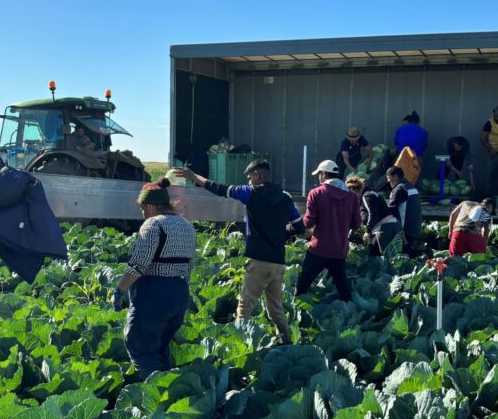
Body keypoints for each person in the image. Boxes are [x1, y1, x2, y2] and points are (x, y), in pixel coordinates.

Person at [174, 160, 305, 344]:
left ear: (257, 175)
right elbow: (300, 226)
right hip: (278, 262)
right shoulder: (285, 197)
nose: (249, 180)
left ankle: (240, 343)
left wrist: (193, 176)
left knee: (245, 305)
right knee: (276, 308)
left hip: (258, 261)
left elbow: (218, 188)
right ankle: (287, 341)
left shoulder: (250, 192)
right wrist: (279, 235)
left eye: (249, 176)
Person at [112, 178, 196, 378]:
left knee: (139, 345)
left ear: (150, 206)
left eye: (143, 208)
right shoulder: (186, 225)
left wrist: (120, 289)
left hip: (154, 293)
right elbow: (190, 264)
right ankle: (169, 389)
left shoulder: (153, 225)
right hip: (179, 291)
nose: (143, 213)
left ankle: (154, 392)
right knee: (160, 348)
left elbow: (139, 264)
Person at [296, 160, 361, 300]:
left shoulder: (316, 193)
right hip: (339, 250)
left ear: (323, 174)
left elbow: (308, 222)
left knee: (302, 285)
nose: (319, 177)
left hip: (318, 249)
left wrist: (294, 225)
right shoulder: (352, 197)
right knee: (343, 288)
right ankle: (349, 315)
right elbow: (356, 225)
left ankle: (295, 313)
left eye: (319, 174)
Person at [385, 166, 422, 253]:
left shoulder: (399, 189)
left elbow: (391, 211)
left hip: (405, 232)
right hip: (416, 230)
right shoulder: (412, 187)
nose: (388, 181)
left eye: (388, 178)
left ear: (395, 177)